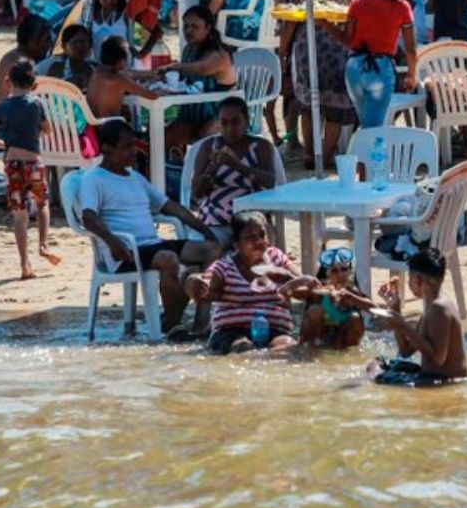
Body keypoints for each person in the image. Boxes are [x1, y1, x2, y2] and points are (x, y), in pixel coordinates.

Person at [78, 119, 219, 335]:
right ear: (107, 149)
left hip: (153, 245)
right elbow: (88, 217)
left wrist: (204, 229)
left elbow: (171, 207)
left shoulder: (136, 178)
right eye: (127, 147)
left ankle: (201, 320)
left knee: (212, 250)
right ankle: (171, 324)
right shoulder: (94, 178)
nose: (134, 151)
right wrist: (113, 242)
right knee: (169, 260)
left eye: (134, 145)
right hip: (125, 251)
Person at [186, 211, 315, 353]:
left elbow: (305, 286)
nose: (260, 241)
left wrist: (287, 279)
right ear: (236, 244)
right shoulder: (224, 266)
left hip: (275, 330)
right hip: (231, 332)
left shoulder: (277, 258)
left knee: (289, 348)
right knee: (242, 349)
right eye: (251, 237)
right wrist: (194, 283)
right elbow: (203, 288)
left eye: (262, 235)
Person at [280, 0, 361, 169]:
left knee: (309, 107)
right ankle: (324, 157)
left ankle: (310, 154)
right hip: (338, 51)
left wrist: (282, 53)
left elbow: (289, 25)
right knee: (335, 109)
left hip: (307, 50)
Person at [324, 0, 418, 129]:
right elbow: (411, 49)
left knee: (365, 124)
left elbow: (347, 40)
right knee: (373, 129)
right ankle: (365, 156)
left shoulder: (357, 4)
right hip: (380, 70)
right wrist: (412, 75)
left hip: (354, 69)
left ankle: (358, 155)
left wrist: (325, 23)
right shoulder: (402, 7)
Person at [0, 59, 59, 280]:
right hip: (33, 162)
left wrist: (6, 144)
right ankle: (43, 245)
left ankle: (24, 264)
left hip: (12, 164)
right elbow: (48, 131)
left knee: (20, 216)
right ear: (34, 84)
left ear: (9, 82)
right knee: (42, 204)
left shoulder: (1, 106)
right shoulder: (36, 104)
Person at [371, 248, 467, 386]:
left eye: (409, 278)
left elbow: (438, 359)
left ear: (417, 280)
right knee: (379, 363)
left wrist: (403, 325)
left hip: (441, 382)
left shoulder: (439, 308)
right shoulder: (431, 307)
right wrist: (395, 307)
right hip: (430, 377)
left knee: (374, 371)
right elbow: (405, 351)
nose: (409, 283)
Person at [189, 96, 278, 244]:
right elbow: (197, 192)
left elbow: (270, 182)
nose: (230, 128)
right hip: (215, 221)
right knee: (204, 250)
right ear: (218, 124)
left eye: (236, 122)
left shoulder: (260, 146)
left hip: (250, 221)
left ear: (247, 121)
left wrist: (238, 166)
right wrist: (213, 167)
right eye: (224, 123)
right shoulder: (208, 147)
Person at [157, 5, 237, 139]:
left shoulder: (219, 55)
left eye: (195, 26)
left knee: (201, 146)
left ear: (208, 28)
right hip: (191, 116)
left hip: (221, 116)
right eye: (186, 26)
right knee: (161, 139)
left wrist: (173, 67)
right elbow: (182, 82)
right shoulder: (188, 49)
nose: (188, 30)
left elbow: (202, 69)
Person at [77, 0, 161, 61]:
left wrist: (142, 53)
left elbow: (156, 31)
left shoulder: (127, 13)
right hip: (100, 70)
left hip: (124, 70)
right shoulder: (89, 16)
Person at [299, 247, 371, 348]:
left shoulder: (352, 292)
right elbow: (294, 293)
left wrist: (353, 298)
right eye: (334, 271)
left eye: (344, 269)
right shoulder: (320, 292)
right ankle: (312, 350)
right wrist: (295, 283)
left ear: (350, 272)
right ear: (327, 275)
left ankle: (346, 353)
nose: (340, 274)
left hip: (340, 338)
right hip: (318, 336)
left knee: (355, 319)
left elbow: (373, 308)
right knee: (314, 310)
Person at [86, 36, 163, 119]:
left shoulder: (97, 72)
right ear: (122, 61)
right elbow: (153, 95)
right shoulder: (120, 80)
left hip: (93, 126)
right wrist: (162, 90)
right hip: (109, 126)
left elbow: (128, 75)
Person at [0, 14, 53, 106]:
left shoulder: (14, 55)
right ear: (32, 41)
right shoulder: (21, 64)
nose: (50, 44)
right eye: (47, 40)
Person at [36, 24, 96, 93]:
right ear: (64, 46)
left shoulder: (95, 68)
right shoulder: (57, 69)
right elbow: (48, 94)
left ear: (89, 44)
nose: (79, 46)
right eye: (74, 42)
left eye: (82, 41)